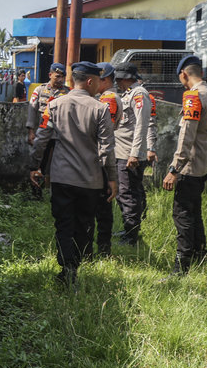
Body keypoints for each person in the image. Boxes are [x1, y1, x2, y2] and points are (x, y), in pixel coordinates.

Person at [29, 62, 117, 287]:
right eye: (97, 80)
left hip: (62, 178)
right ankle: (76, 265)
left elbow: (41, 139)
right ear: (89, 81)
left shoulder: (54, 105)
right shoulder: (101, 109)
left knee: (63, 224)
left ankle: (67, 268)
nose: (99, 84)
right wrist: (112, 179)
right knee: (84, 223)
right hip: (90, 180)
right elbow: (106, 150)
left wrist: (34, 166)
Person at [162, 55, 207, 275]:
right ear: (201, 74)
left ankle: (181, 267)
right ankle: (200, 255)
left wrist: (174, 169)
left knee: (183, 216)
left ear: (183, 75)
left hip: (189, 166)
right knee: (195, 213)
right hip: (204, 164)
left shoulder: (193, 97)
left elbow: (187, 134)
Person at [113, 63, 154, 246]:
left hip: (130, 154)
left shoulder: (139, 94)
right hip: (122, 152)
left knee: (128, 194)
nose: (118, 83)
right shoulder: (129, 93)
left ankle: (131, 237)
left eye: (119, 79)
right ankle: (129, 229)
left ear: (126, 78)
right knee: (125, 194)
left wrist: (135, 153)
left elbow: (141, 125)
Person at [93, 62, 121, 256]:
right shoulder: (103, 97)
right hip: (99, 155)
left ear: (105, 80)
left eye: (98, 79)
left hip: (102, 156)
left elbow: (105, 132)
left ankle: (104, 249)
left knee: (103, 206)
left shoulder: (109, 99)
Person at [26, 62, 68, 144]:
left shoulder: (68, 92)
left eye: (63, 77)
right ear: (50, 75)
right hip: (42, 134)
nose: (61, 80)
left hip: (61, 136)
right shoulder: (40, 90)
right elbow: (32, 111)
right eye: (58, 76)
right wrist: (31, 132)